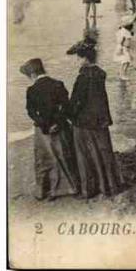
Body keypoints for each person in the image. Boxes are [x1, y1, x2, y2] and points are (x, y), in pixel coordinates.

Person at [66, 37, 124, 198]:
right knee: (104, 153)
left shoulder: (83, 77)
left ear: (84, 58)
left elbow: (77, 102)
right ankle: (110, 186)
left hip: (84, 122)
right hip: (100, 120)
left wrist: (68, 115)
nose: (76, 61)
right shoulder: (99, 74)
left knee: (84, 157)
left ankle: (88, 190)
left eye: (77, 57)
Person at [20, 58, 78, 200]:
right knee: (63, 155)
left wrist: (45, 125)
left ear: (32, 75)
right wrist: (57, 123)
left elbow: (31, 112)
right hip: (60, 126)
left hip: (42, 130)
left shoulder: (32, 90)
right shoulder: (58, 85)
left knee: (44, 159)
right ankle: (69, 187)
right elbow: (66, 107)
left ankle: (42, 191)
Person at [114, 16, 135, 80]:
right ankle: (123, 74)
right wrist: (120, 48)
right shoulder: (124, 32)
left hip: (126, 49)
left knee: (125, 62)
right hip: (124, 49)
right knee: (126, 62)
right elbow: (121, 40)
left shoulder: (125, 31)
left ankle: (121, 73)